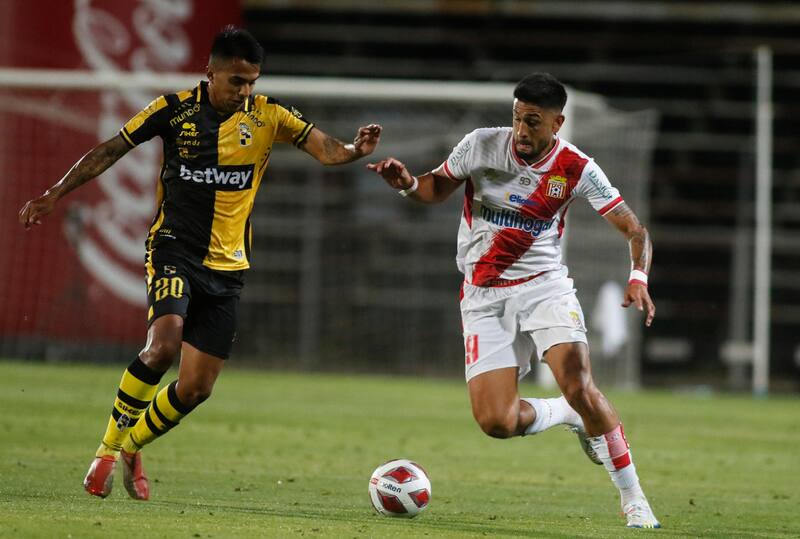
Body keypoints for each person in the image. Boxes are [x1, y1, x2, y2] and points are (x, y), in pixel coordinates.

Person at [19, 26, 382, 501]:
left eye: (252, 81)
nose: (245, 91)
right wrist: (54, 194)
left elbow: (325, 149)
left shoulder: (270, 115)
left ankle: (133, 444)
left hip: (229, 266)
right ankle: (105, 453)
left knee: (195, 389)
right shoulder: (173, 111)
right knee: (163, 345)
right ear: (210, 72)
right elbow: (112, 148)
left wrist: (356, 150)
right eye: (236, 81)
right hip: (174, 249)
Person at [367, 72, 660, 529]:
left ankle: (634, 498)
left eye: (534, 122)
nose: (522, 130)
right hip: (482, 293)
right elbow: (434, 189)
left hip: (544, 286)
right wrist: (406, 183)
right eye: (518, 118)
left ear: (557, 123)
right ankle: (564, 413)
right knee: (496, 422)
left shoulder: (577, 168)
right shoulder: (482, 144)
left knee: (579, 380)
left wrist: (637, 276)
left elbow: (635, 229)